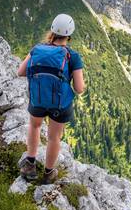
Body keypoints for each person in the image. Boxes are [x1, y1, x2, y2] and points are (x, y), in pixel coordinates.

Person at [16, 13, 86, 184]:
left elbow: (20, 72)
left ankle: (30, 164)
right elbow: (79, 89)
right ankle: (48, 173)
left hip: (38, 99)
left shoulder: (37, 49)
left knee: (35, 125)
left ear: (52, 31)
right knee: (54, 137)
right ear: (69, 35)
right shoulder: (73, 56)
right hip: (59, 105)